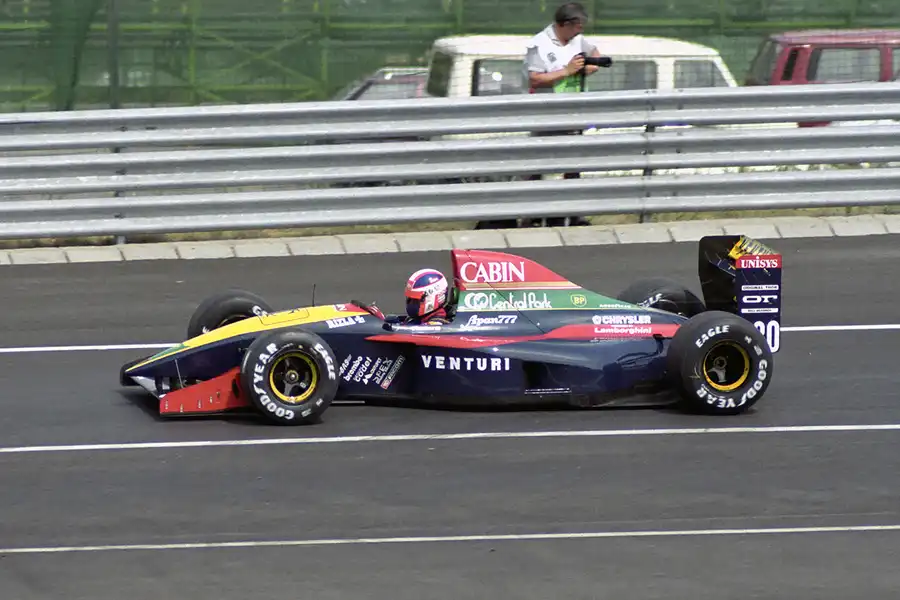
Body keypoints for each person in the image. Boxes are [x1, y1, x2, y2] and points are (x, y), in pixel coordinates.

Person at [523, 2, 604, 228]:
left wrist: (587, 67)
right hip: (546, 113)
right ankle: (532, 214)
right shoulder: (538, 44)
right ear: (564, 24)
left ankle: (573, 213)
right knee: (541, 165)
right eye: (577, 26)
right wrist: (566, 71)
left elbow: (596, 56)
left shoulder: (578, 40)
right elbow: (535, 78)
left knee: (573, 163)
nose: (580, 31)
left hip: (573, 112)